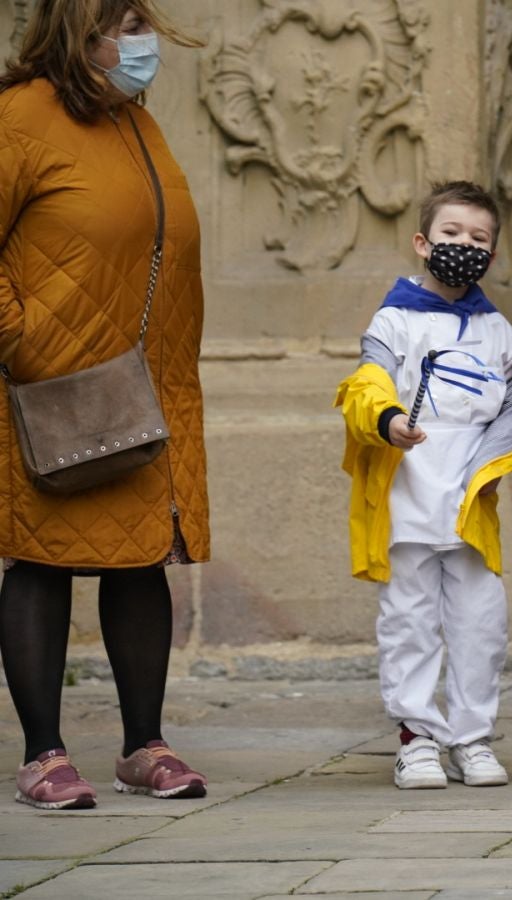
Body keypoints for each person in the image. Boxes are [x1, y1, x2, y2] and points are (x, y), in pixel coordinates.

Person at [0, 1, 210, 810]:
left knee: (138, 556)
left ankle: (143, 746)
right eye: (121, 24)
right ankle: (42, 755)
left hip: (145, 387)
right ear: (75, 31)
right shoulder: (20, 116)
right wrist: (24, 344)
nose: (139, 39)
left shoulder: (135, 120)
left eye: (138, 21)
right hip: (53, 389)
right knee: (41, 558)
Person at [335, 181, 512, 790]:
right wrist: (388, 421)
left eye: (478, 238)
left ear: (492, 255)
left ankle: (472, 739)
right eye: (451, 233)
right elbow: (366, 385)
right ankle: (416, 739)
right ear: (423, 243)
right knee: (409, 625)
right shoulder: (394, 320)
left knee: (482, 628)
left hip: (468, 510)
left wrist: (509, 454)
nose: (463, 245)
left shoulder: (500, 332)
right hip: (406, 509)